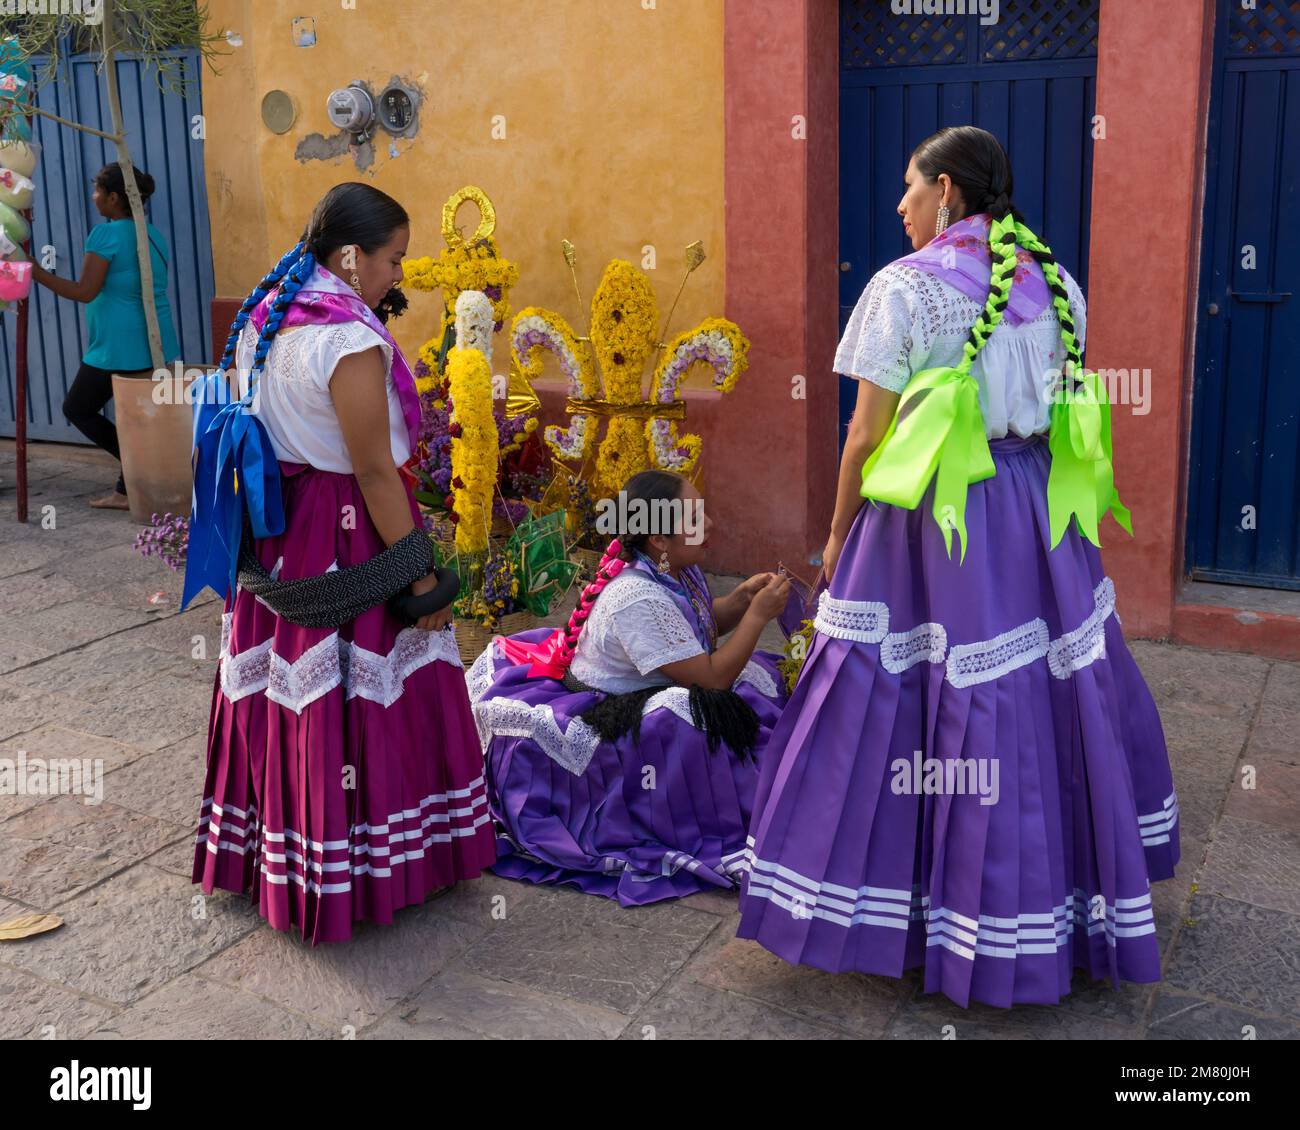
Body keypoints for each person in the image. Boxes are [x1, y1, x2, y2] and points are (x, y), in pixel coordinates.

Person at [736, 127, 1179, 1008]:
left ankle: (899, 914)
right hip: (1031, 511)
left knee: (894, 700)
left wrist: (833, 538)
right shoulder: (1058, 286)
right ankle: (1031, 912)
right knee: (1033, 697)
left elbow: (865, 435)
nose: (898, 205)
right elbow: (1061, 418)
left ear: (946, 192)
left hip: (929, 517)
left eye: (908, 187)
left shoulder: (904, 290)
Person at [184, 182, 495, 943]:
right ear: (352, 257)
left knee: (288, 686)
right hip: (342, 528)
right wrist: (422, 578)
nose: (401, 275)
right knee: (367, 685)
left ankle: (282, 860)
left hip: (279, 527)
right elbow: (375, 472)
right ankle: (366, 868)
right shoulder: (345, 339)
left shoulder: (268, 315)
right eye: (394, 259)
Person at [468, 469, 792, 904]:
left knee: (755, 680)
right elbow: (712, 681)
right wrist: (757, 619)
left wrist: (740, 602)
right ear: (658, 539)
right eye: (695, 516)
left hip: (661, 679)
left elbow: (693, 622)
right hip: (614, 719)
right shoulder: (636, 598)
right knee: (703, 720)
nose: (710, 523)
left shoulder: (672, 567)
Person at [30, 164, 181, 509]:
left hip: (118, 344)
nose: (93, 196)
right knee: (138, 417)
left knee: (78, 408)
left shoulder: (106, 235)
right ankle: (128, 489)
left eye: (97, 190)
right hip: (155, 338)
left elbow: (84, 291)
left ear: (114, 197)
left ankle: (136, 473)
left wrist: (36, 272)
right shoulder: (151, 234)